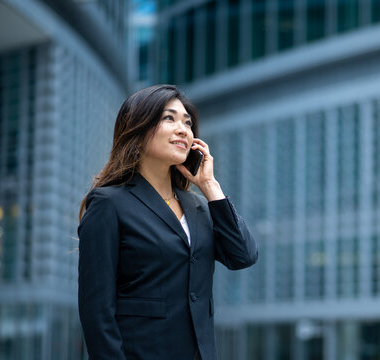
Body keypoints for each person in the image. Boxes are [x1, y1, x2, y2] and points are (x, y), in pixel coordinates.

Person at [77, 84, 258, 360]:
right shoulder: (109, 204)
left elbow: (242, 255)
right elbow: (97, 312)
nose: (184, 129)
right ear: (138, 131)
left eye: (188, 122)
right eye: (169, 118)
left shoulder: (198, 206)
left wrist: (209, 185)